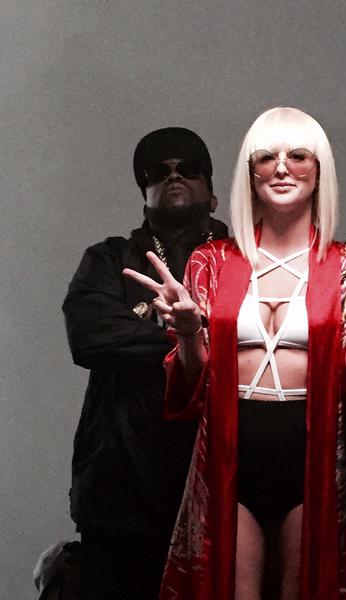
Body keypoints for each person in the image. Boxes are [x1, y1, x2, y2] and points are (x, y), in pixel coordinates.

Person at [123, 107, 346, 600]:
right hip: (230, 451)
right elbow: (190, 388)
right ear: (251, 173)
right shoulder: (212, 261)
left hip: (312, 454)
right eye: (267, 156)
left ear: (319, 170)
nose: (282, 167)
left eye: (298, 155)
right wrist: (187, 333)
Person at [62, 127, 228, 600]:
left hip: (220, 479)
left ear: (212, 191)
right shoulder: (109, 259)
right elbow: (90, 337)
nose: (174, 177)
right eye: (158, 172)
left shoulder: (244, 260)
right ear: (144, 191)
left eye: (188, 168)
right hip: (121, 490)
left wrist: (159, 335)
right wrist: (193, 334)